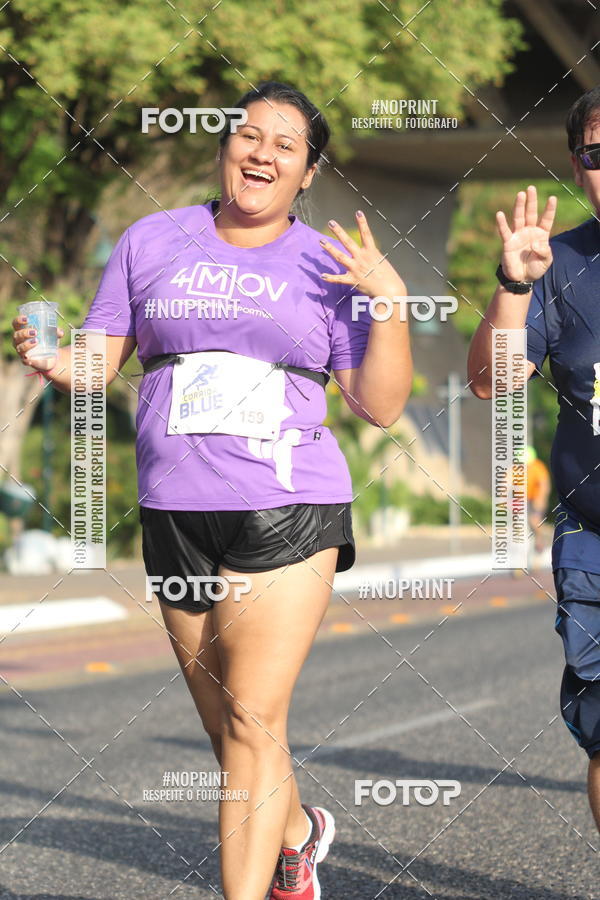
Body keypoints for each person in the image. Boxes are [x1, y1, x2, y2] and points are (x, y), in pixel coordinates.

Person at [12, 81, 413, 899]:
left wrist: (392, 304)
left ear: (307, 173)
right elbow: (102, 358)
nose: (262, 152)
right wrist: (61, 366)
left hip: (286, 506)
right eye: (248, 135)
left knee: (252, 721)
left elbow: (380, 405)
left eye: (286, 145)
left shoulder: (327, 261)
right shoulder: (153, 239)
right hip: (174, 507)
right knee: (228, 728)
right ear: (224, 146)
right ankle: (297, 836)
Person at [467, 85, 600, 833]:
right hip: (595, 537)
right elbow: (491, 380)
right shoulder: (558, 265)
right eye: (599, 153)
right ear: (578, 166)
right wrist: (515, 285)